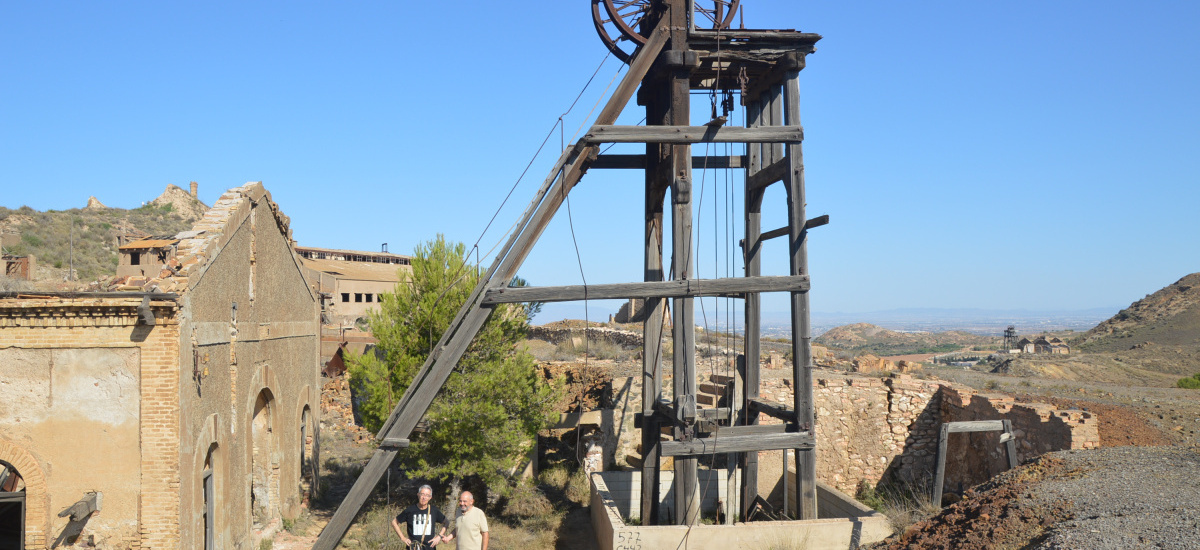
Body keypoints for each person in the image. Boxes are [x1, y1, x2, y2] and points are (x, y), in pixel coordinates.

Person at [392, 484, 448, 549]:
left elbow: (446, 522)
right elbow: (394, 522)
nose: (424, 497)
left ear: (430, 497)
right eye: (422, 494)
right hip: (414, 547)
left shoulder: (434, 510)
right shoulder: (410, 510)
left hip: (430, 547)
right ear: (418, 494)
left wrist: (439, 536)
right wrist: (403, 538)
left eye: (427, 495)